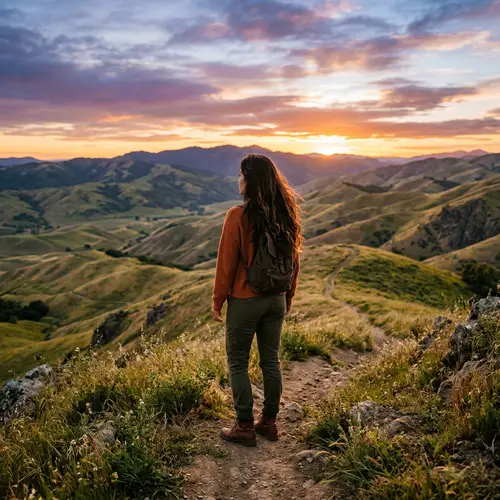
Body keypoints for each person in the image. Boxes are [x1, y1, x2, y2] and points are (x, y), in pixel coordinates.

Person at [211, 154, 303, 446]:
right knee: (270, 361)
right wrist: (288, 294)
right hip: (276, 299)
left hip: (245, 300)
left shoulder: (237, 216)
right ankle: (269, 422)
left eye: (241, 175)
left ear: (249, 180)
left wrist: (218, 300)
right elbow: (293, 261)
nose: (238, 180)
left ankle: (244, 425)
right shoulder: (286, 215)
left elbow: (226, 264)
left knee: (237, 362)